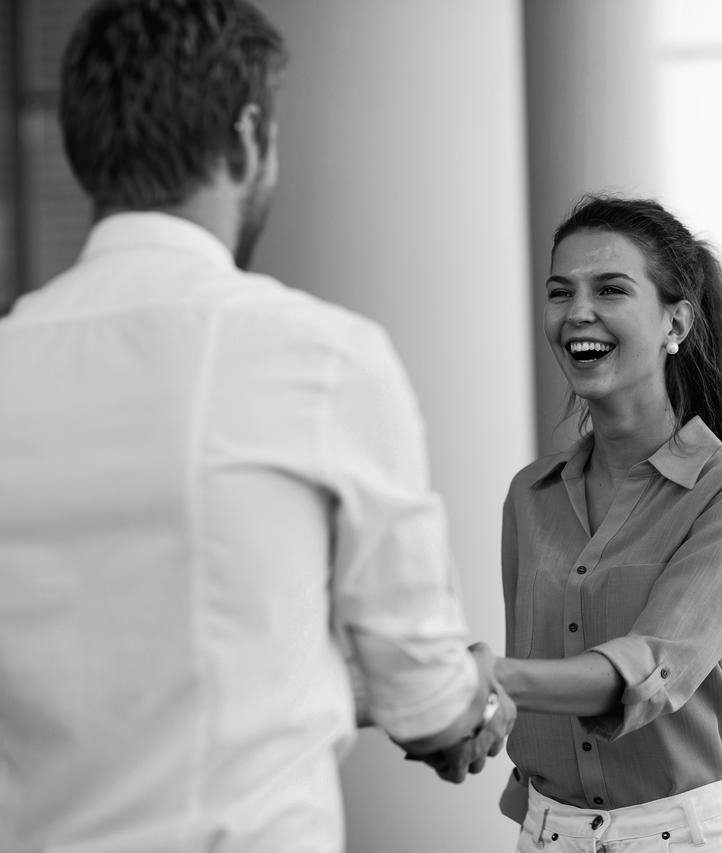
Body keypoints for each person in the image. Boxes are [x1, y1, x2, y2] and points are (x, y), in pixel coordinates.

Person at [0, 1, 511, 851]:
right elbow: (425, 698)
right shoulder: (322, 357)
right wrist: (478, 697)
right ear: (246, 139)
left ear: (84, 151)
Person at [490, 195, 722, 852]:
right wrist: (478, 706)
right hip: (549, 831)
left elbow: (654, 665)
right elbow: (539, 691)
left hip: (689, 836)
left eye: (610, 289)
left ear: (675, 320)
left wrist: (490, 676)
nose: (577, 312)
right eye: (559, 291)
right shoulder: (528, 497)